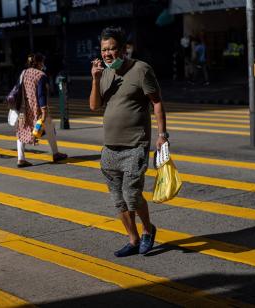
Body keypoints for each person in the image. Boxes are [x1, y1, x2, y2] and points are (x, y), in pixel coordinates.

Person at [89, 26, 168, 257]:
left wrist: (162, 136)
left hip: (135, 145)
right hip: (109, 147)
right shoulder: (103, 74)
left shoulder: (141, 69)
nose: (107, 54)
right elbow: (94, 106)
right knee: (118, 200)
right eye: (104, 49)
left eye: (112, 48)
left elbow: (157, 102)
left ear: (123, 49)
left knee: (132, 195)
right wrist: (95, 79)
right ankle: (132, 239)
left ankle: (148, 230)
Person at [16, 53, 68, 168]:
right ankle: (55, 153)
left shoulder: (23, 73)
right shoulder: (41, 75)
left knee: (21, 130)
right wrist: (44, 110)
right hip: (37, 108)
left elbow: (18, 89)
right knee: (50, 128)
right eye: (42, 62)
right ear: (39, 63)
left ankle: (21, 158)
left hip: (22, 108)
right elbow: (41, 94)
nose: (43, 64)